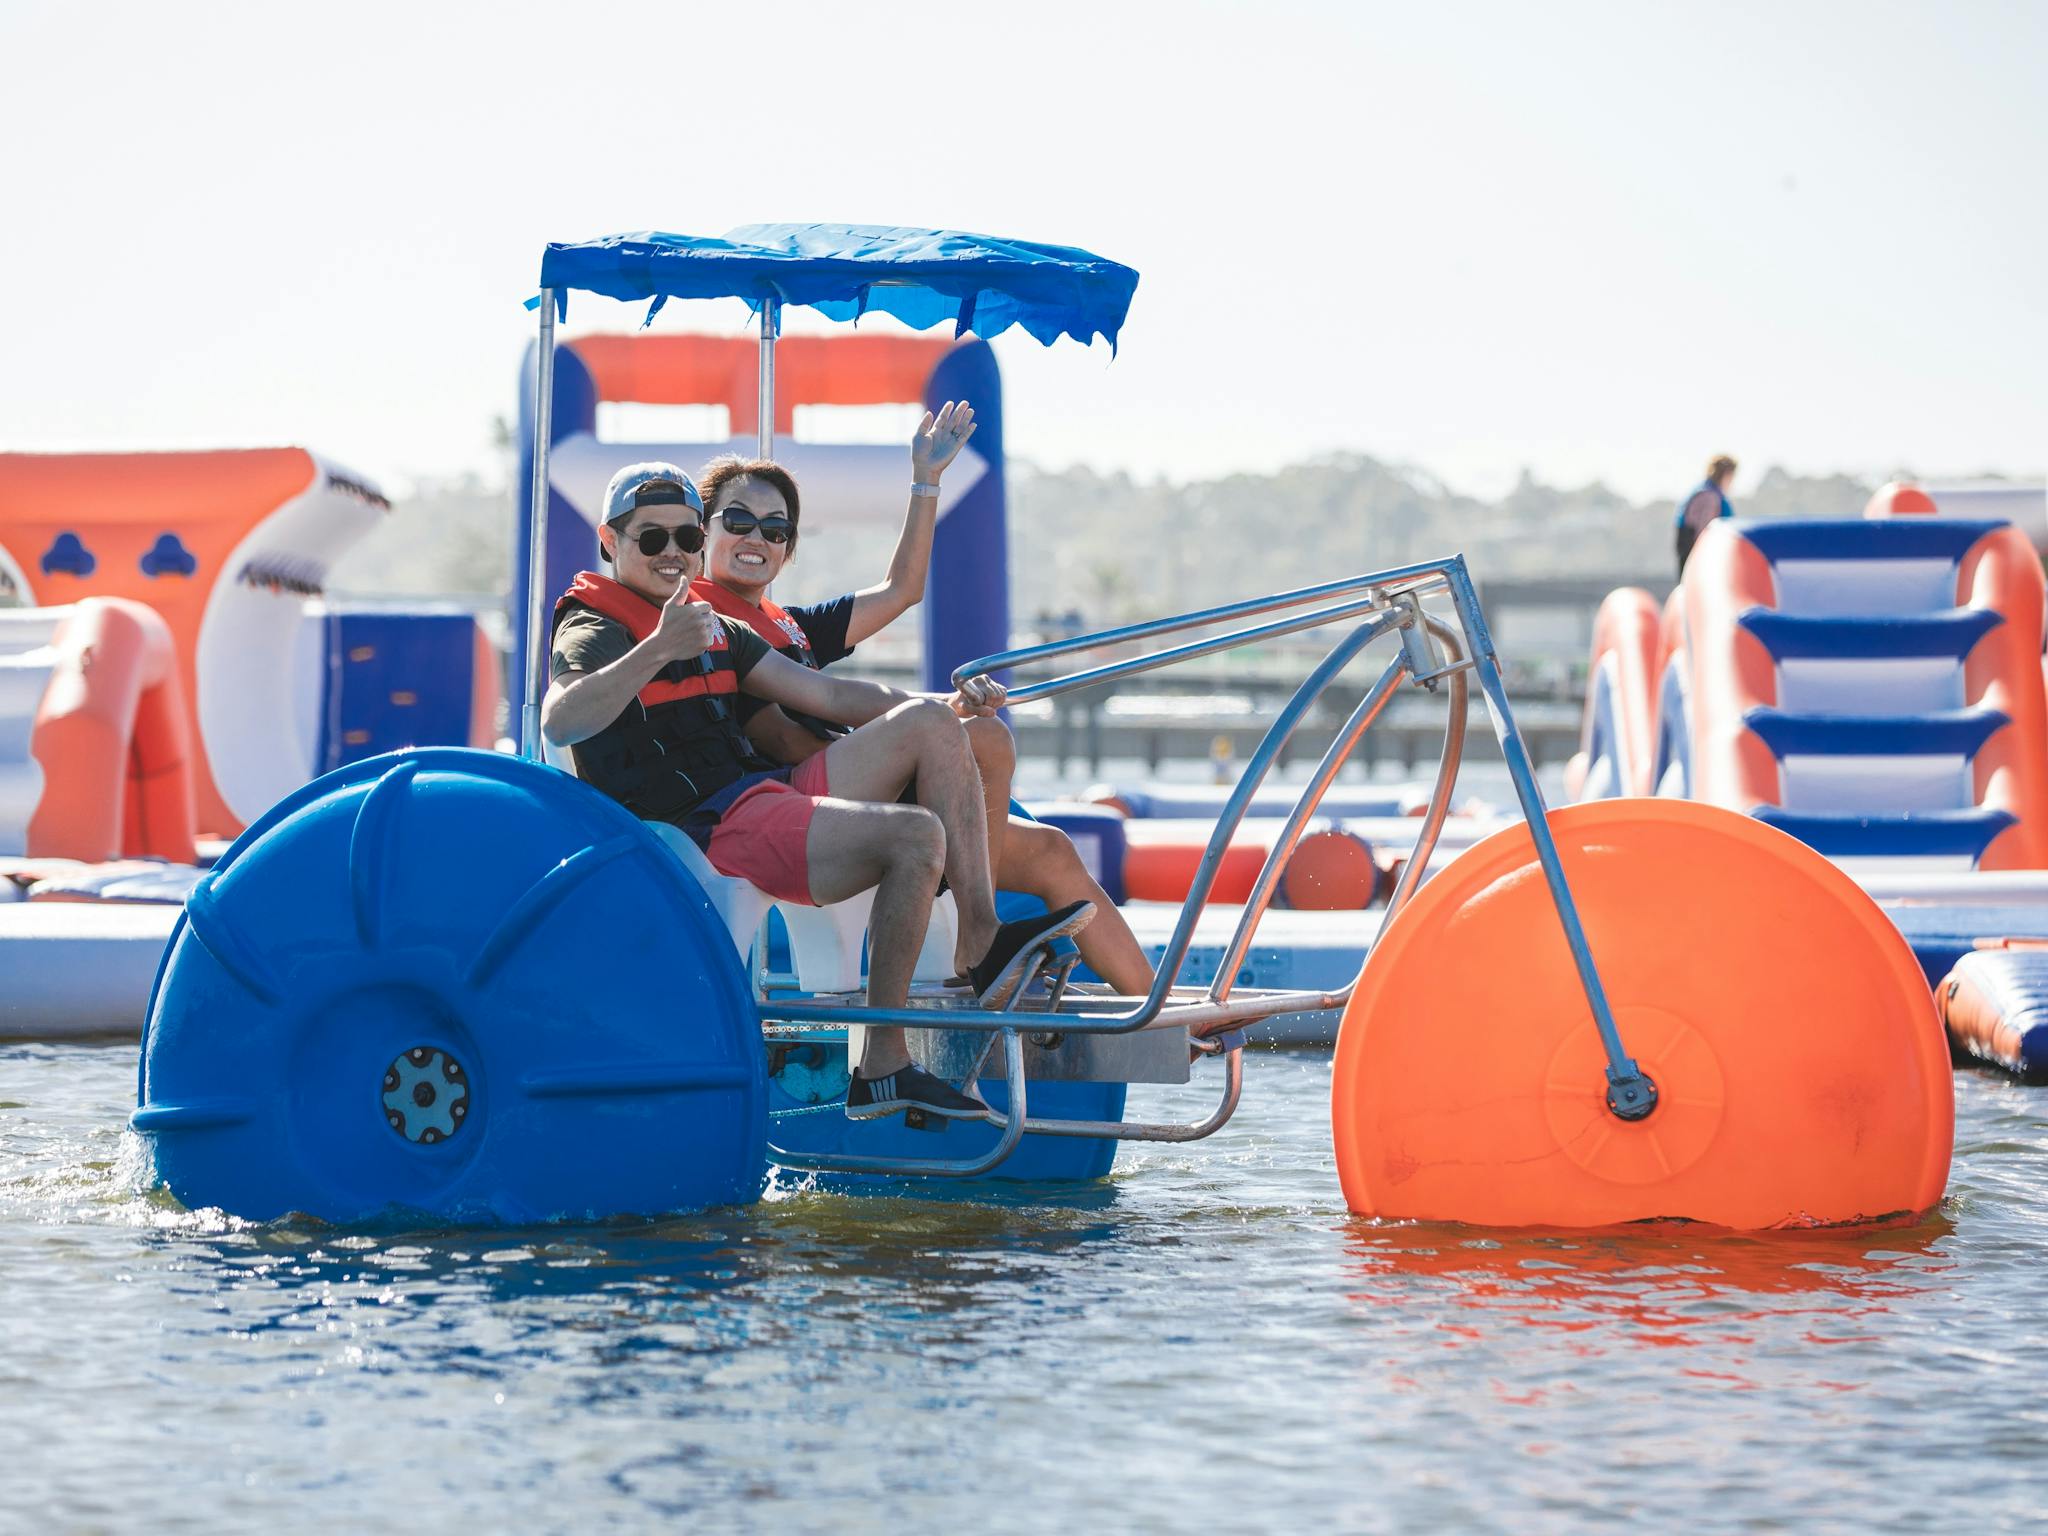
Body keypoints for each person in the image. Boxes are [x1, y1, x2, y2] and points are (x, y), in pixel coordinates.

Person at [542, 461, 1097, 1122]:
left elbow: (829, 695)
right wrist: (656, 650)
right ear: (610, 540)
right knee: (916, 834)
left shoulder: (714, 626)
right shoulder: (595, 628)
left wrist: (947, 708)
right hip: (701, 830)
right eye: (651, 537)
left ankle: (980, 937)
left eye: (686, 538)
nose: (673, 553)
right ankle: (883, 1065)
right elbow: (561, 720)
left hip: (761, 795)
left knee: (933, 725)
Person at [689, 408, 1156, 996]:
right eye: (738, 520)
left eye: (775, 529)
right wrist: (916, 745)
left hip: (864, 774)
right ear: (702, 530)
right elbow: (782, 738)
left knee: (1047, 843)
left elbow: (901, 591)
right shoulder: (701, 622)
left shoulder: (791, 626)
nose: (756, 537)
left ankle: (1165, 1020)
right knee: (949, 728)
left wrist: (926, 480)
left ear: (789, 547)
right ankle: (978, 939)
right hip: (796, 806)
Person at [1675, 454, 1738, 576]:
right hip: (1700, 556)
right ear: (1726, 475)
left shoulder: (1707, 490)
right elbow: (1703, 530)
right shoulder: (1709, 496)